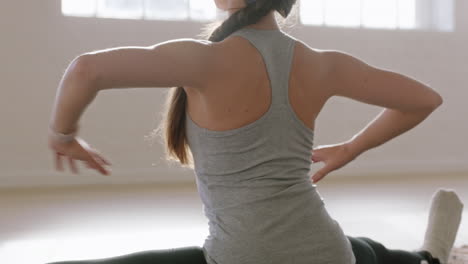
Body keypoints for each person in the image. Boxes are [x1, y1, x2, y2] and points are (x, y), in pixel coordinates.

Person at [47, 0, 464, 264]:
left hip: (239, 256)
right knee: (360, 249)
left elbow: (86, 69)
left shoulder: (204, 60)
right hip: (329, 252)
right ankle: (427, 258)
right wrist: (351, 150)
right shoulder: (324, 63)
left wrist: (62, 135)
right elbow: (424, 99)